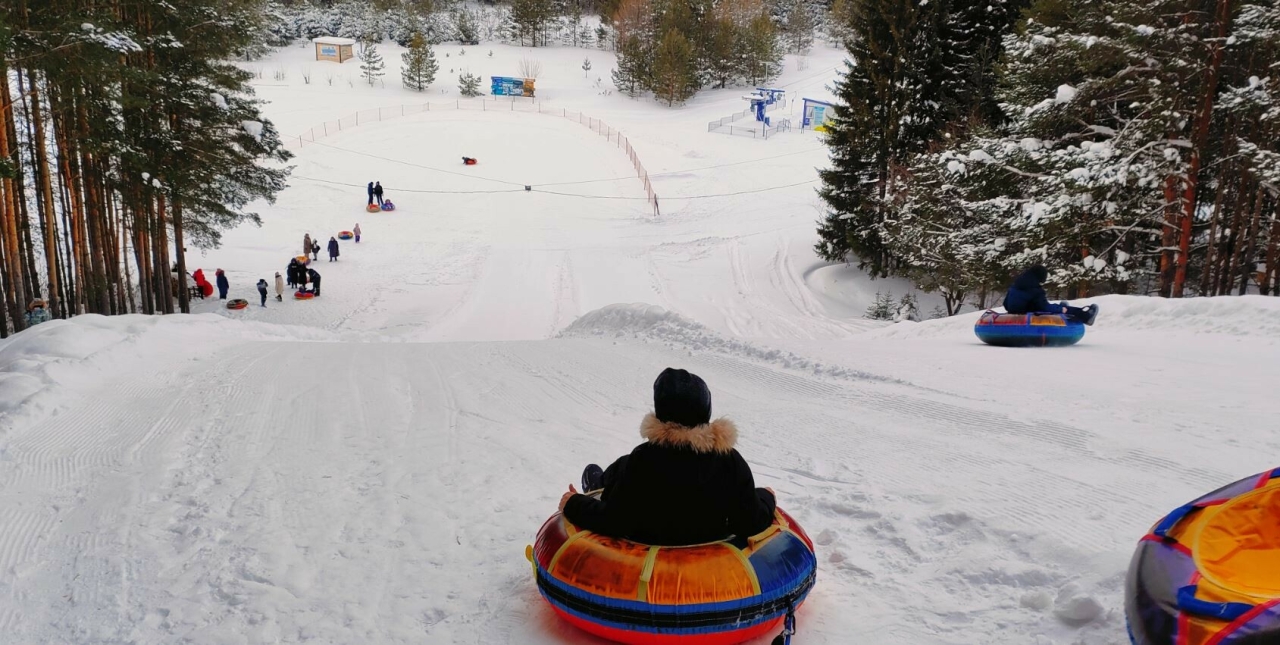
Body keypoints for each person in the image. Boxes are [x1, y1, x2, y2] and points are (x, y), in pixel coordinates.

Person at [558, 368, 776, 546]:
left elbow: (615, 521)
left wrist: (574, 504)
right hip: (709, 547)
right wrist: (766, 498)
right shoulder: (729, 461)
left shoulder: (643, 460)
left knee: (622, 467)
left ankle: (599, 483)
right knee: (624, 464)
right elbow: (749, 522)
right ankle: (603, 480)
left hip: (648, 548)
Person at [1004, 265, 1099, 325]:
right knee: (1059, 309)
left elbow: (1005, 304)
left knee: (1054, 307)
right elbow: (1044, 307)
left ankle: (1062, 309)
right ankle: (1086, 316)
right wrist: (1060, 309)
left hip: (1014, 314)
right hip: (1028, 317)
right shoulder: (1035, 290)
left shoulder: (1015, 286)